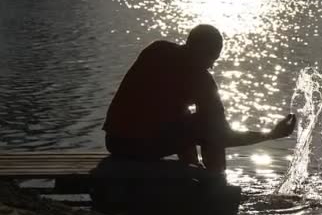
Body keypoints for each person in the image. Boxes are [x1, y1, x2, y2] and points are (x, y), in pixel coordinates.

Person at [103, 24, 297, 172]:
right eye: (212, 58)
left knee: (188, 117)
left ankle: (196, 169)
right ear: (201, 51)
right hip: (138, 145)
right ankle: (216, 184)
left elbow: (166, 109)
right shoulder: (201, 79)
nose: (211, 66)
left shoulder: (156, 50)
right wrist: (270, 134)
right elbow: (222, 135)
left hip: (115, 141)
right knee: (208, 125)